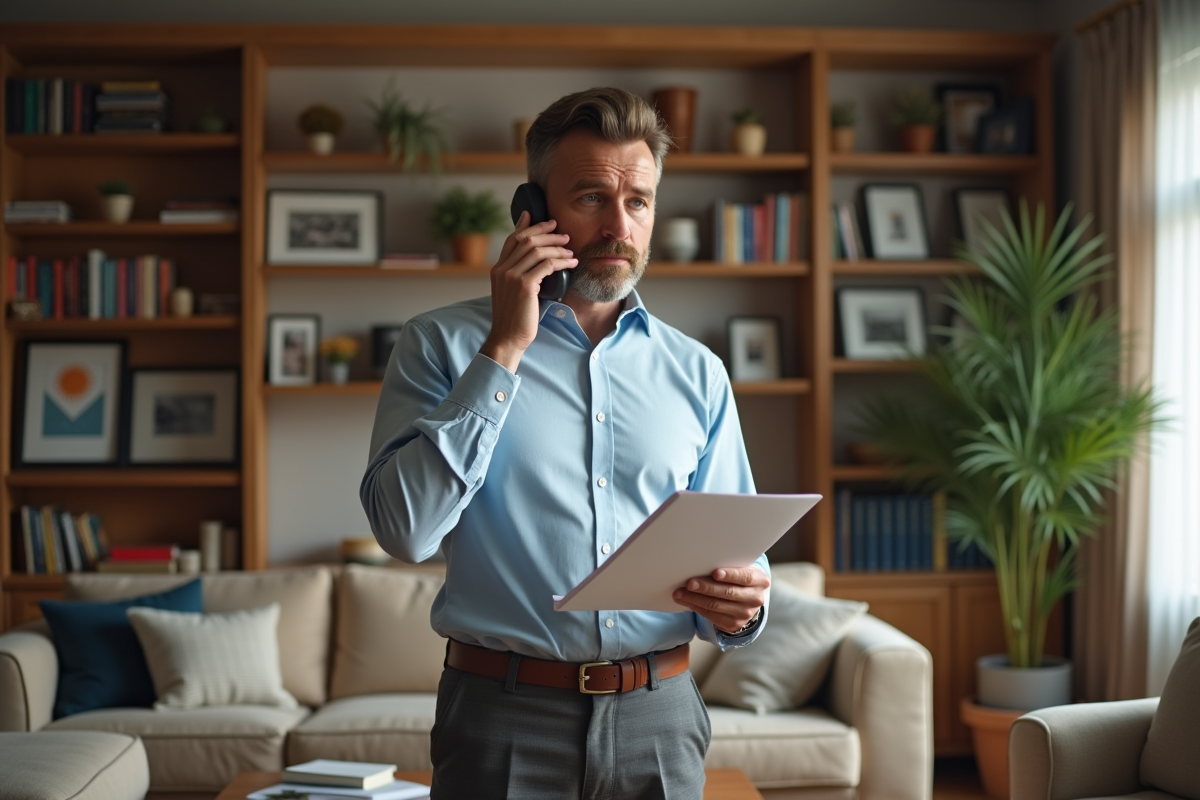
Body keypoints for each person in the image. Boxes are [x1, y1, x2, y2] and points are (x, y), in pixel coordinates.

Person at [361, 87, 770, 800]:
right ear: (532, 209)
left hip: (662, 716)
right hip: (502, 716)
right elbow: (405, 532)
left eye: (638, 201)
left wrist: (746, 607)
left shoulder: (697, 371)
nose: (620, 226)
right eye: (591, 198)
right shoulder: (441, 345)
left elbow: (737, 554)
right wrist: (505, 347)